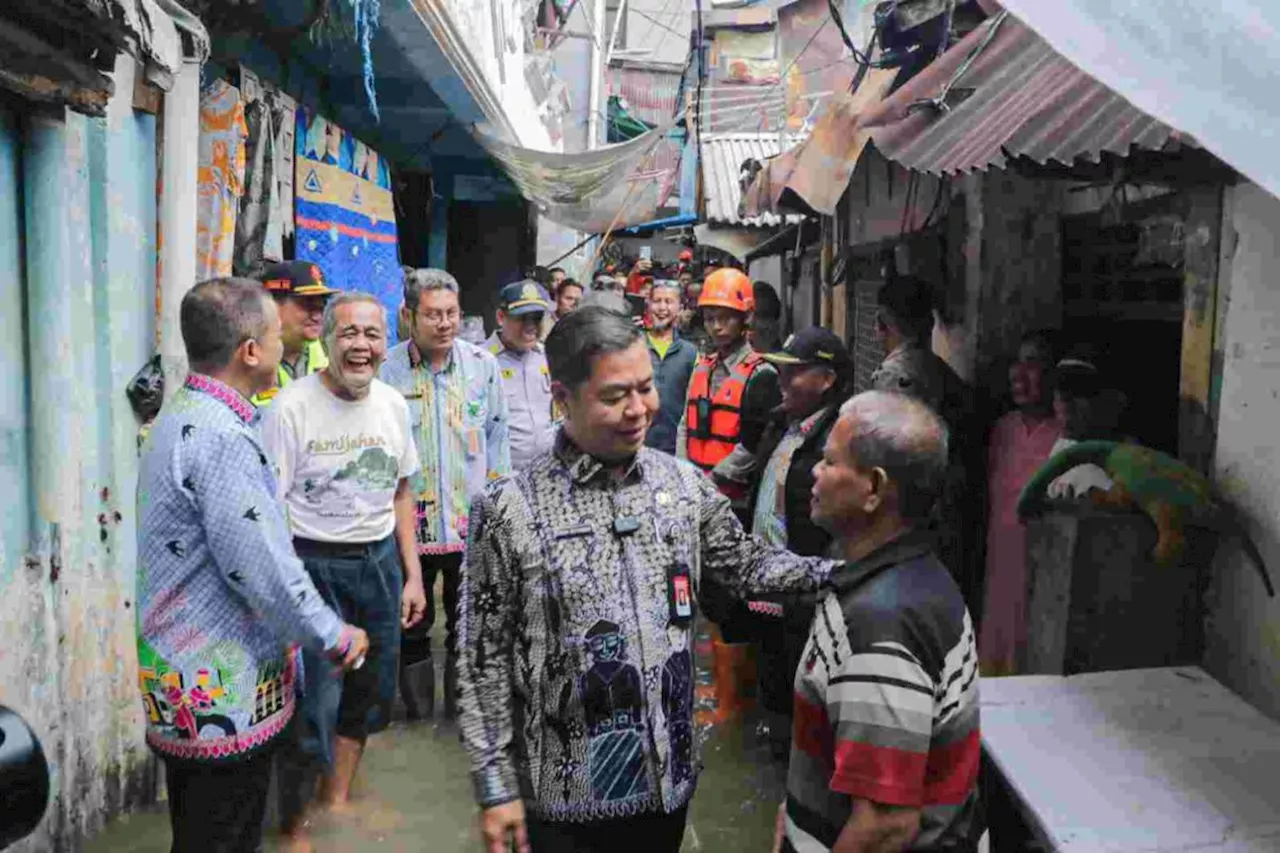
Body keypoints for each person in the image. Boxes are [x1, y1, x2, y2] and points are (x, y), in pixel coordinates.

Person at [458, 306, 835, 853]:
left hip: (668, 784)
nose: (639, 410)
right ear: (562, 397)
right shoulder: (508, 509)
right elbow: (481, 658)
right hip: (563, 799)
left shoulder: (683, 487)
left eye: (646, 388)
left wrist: (845, 575)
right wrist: (494, 791)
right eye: (615, 396)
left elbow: (746, 568)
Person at [137, 278, 369, 852]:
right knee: (225, 837)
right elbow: (261, 566)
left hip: (180, 676)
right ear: (250, 350)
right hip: (220, 689)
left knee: (198, 833)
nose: (284, 340)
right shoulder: (222, 437)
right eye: (273, 331)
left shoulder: (183, 414)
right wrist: (333, 635)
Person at [781, 391, 982, 853]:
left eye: (830, 462)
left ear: (874, 488)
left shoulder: (882, 624)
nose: (815, 471)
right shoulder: (895, 576)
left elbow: (885, 827)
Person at [261, 292, 427, 842]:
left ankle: (335, 802)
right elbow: (268, 507)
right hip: (312, 562)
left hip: (378, 561)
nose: (362, 346)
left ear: (387, 343)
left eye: (372, 335)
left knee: (370, 693)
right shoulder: (289, 408)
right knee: (312, 699)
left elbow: (402, 491)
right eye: (349, 334)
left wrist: (413, 574)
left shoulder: (393, 404)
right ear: (327, 340)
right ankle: (294, 825)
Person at [381, 269, 511, 720]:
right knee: (411, 624)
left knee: (468, 627)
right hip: (407, 528)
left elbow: (498, 441)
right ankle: (417, 722)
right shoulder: (386, 371)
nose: (444, 323)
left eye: (451, 313)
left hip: (469, 523)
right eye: (432, 315)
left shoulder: (482, 366)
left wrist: (499, 513)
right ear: (409, 317)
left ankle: (459, 724)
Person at [677, 267, 783, 719]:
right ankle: (725, 694)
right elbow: (686, 424)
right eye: (711, 317)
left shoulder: (760, 375)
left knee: (734, 599)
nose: (717, 326)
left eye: (726, 317)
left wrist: (709, 481)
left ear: (745, 321)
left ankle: (734, 705)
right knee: (710, 595)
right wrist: (685, 473)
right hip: (699, 495)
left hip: (733, 504)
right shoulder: (701, 366)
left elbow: (753, 445)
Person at [747, 328, 851, 757]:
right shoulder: (782, 423)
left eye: (794, 373)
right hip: (767, 581)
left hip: (807, 587)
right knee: (772, 668)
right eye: (781, 371)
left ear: (826, 380)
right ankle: (778, 743)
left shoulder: (840, 439)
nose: (783, 382)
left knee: (805, 676)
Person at [870, 275, 978, 606]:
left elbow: (889, 455)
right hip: (952, 519)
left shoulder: (894, 377)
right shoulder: (946, 376)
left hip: (912, 522)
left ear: (882, 323)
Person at [981, 331, 1062, 676]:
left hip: (1044, 576)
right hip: (1000, 572)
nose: (1018, 373)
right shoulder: (1003, 430)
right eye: (1018, 361)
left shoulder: (1066, 436)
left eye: (1033, 362)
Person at [486, 280, 559, 471]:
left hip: (546, 473)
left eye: (536, 318)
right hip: (501, 477)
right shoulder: (481, 361)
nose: (531, 326)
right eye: (522, 318)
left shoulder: (547, 357)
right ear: (501, 317)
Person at [251, 260, 337, 406]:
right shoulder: (245, 357)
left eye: (321, 306)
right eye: (307, 305)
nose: (317, 316)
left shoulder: (332, 352)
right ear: (271, 305)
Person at [644, 279, 698, 456]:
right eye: (657, 301)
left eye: (669, 302)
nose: (662, 308)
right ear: (648, 304)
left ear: (680, 307)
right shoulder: (633, 345)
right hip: (637, 443)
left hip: (674, 448)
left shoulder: (690, 353)